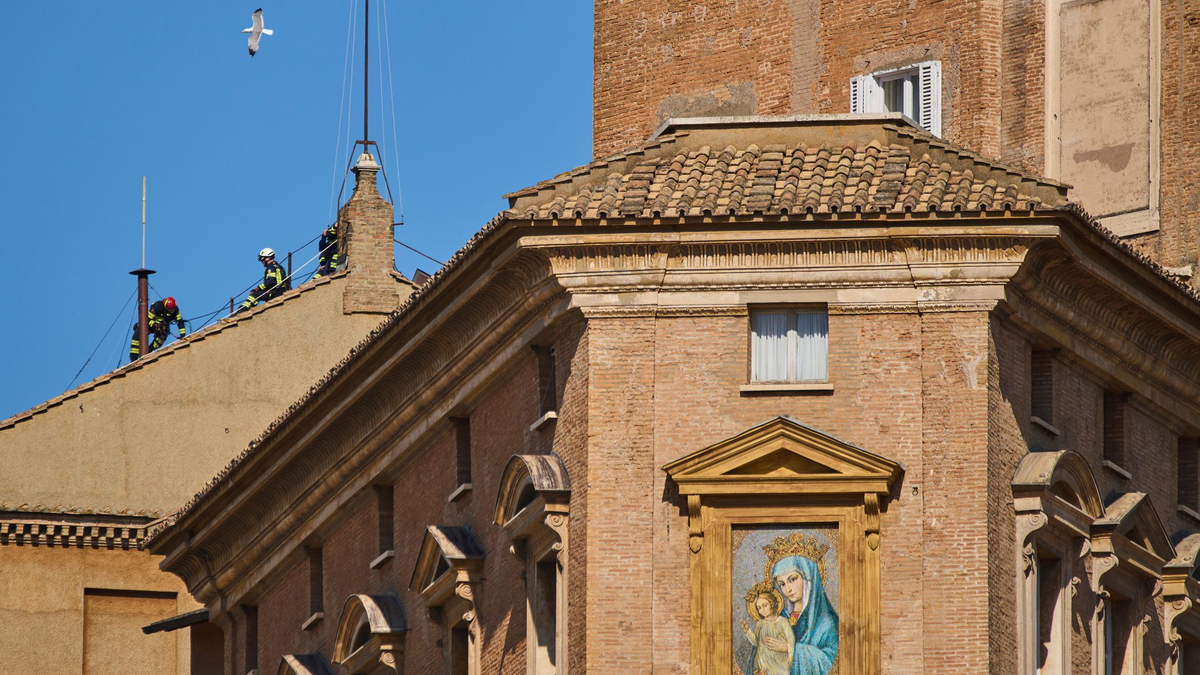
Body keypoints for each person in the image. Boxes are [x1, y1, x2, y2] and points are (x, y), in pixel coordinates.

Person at [766, 555, 839, 675]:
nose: (788, 589)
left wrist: (791, 648)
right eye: (782, 584)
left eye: (792, 579)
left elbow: (832, 663)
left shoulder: (827, 622)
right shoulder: (779, 618)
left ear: (808, 579)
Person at [741, 587, 794, 675]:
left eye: (765, 605)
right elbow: (757, 642)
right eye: (759, 608)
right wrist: (748, 631)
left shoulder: (782, 621)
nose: (762, 610)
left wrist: (791, 654)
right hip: (764, 666)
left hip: (779, 663)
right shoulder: (760, 624)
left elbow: (791, 639)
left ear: (772, 604)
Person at [129, 296, 186, 361]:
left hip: (162, 327)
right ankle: (133, 359)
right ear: (164, 306)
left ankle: (149, 350)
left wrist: (182, 335)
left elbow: (180, 322)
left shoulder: (176, 310)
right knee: (137, 335)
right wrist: (156, 325)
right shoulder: (157, 306)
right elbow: (148, 319)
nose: (171, 312)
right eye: (169, 310)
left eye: (172, 310)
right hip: (150, 324)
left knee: (162, 336)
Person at [238, 248, 289, 313]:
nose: (262, 262)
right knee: (258, 295)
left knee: (254, 295)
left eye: (262, 259)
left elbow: (270, 281)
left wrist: (258, 288)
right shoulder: (279, 267)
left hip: (275, 293)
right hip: (280, 291)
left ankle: (241, 311)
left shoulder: (271, 268)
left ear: (267, 258)